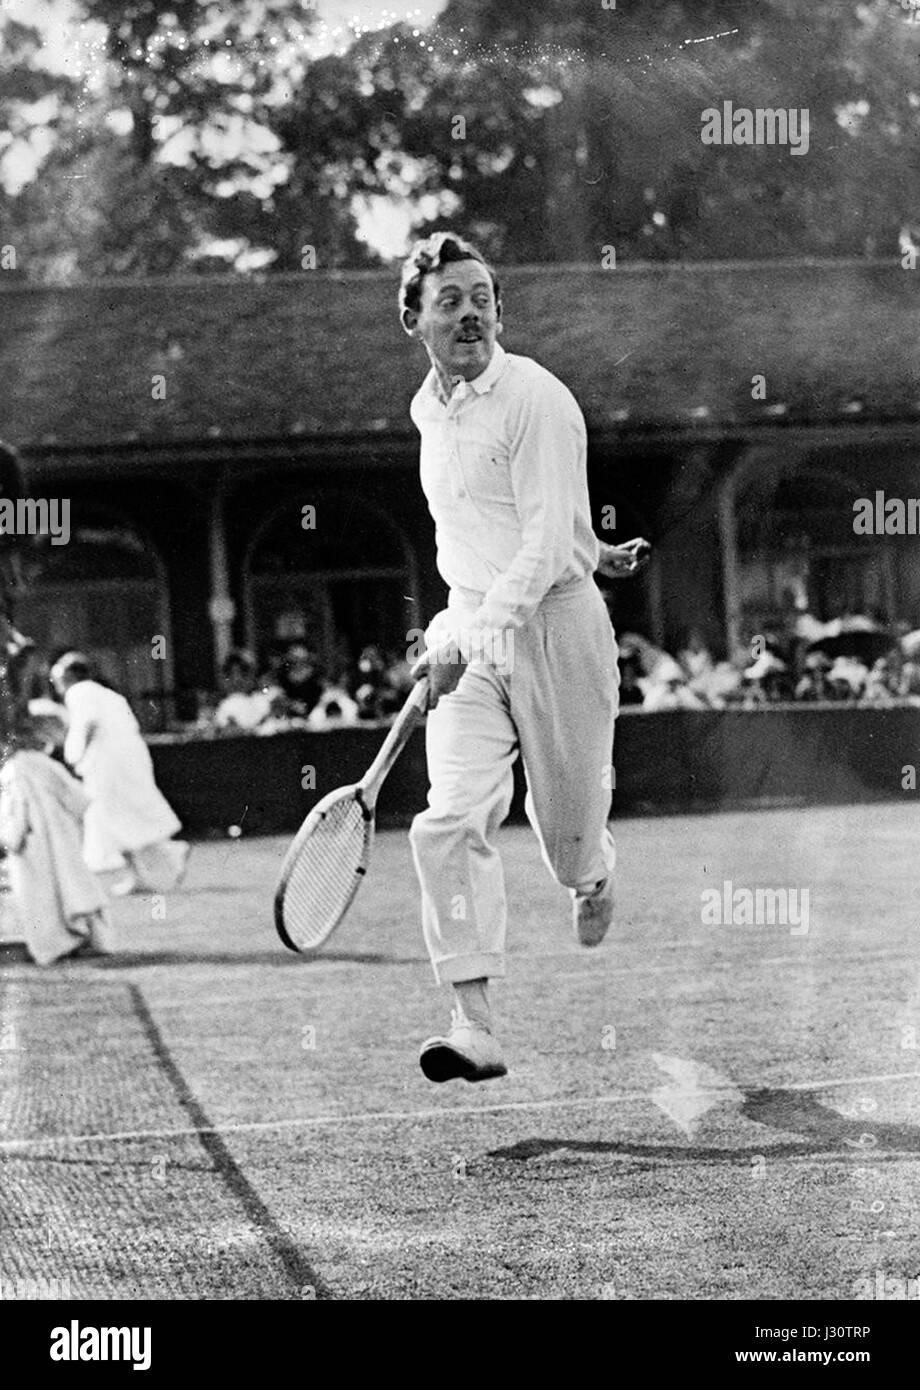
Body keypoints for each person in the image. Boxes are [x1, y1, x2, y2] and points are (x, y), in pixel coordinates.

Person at [399, 231, 620, 1084]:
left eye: (482, 296)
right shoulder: (427, 409)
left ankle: (595, 872)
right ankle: (473, 1021)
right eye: (450, 299)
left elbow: (537, 546)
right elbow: (482, 524)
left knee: (564, 839)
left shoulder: (539, 398)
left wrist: (580, 557)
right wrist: (462, 634)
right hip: (470, 627)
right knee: (448, 819)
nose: (470, 313)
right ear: (413, 318)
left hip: (556, 625)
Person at [49, 652, 189, 896]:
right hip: (123, 760)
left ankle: (170, 853)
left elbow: (89, 724)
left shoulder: (80, 691)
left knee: (116, 813)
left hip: (110, 764)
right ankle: (143, 872)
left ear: (70, 676)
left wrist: (77, 755)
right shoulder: (105, 693)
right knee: (113, 816)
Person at [0, 705, 113, 964]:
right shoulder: (44, 766)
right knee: (70, 887)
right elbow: (79, 799)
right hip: (58, 840)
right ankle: (76, 938)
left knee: (37, 896)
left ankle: (51, 945)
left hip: (27, 844)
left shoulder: (12, 769)